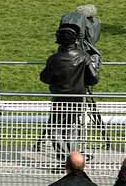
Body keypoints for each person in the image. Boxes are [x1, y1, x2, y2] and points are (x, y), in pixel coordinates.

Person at [39, 21, 100, 160]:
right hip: (77, 99)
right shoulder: (83, 57)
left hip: (59, 99)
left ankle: (64, 157)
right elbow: (94, 79)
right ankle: (72, 158)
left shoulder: (54, 59)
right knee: (71, 127)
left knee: (54, 128)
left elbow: (44, 78)